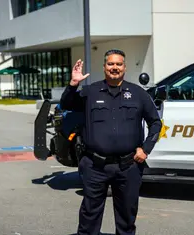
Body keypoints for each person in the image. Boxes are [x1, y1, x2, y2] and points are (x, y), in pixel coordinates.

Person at [60, 49, 162, 235]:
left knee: (126, 218)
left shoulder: (138, 93)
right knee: (89, 216)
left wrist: (146, 149)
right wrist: (73, 84)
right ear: (104, 67)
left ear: (124, 67)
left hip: (129, 166)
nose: (114, 67)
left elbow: (155, 122)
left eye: (118, 64)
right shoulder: (90, 92)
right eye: (110, 64)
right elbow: (66, 105)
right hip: (95, 165)